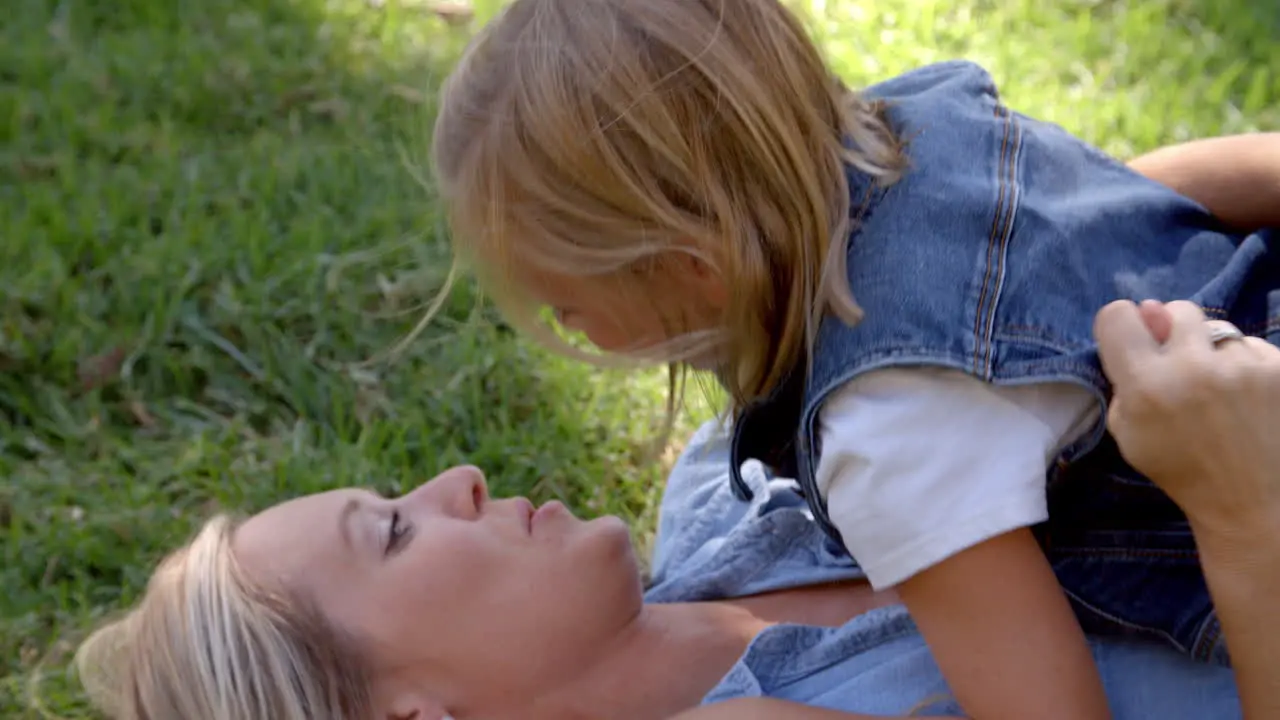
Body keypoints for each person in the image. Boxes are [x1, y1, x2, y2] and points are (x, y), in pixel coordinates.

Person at [430, 0, 1280, 716]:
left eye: (567, 305)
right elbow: (1141, 196)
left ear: (690, 267)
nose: (570, 329)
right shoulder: (919, 118)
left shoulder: (890, 429)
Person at [77, 330, 1280, 719]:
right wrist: (1243, 510)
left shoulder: (732, 478)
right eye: (393, 530)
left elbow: (1031, 229)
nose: (457, 478)